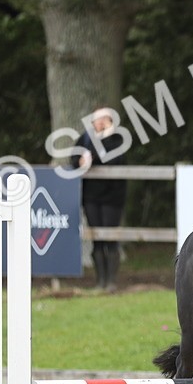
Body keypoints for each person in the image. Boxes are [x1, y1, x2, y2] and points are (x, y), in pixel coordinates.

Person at [70, 108, 128, 293]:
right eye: (96, 120)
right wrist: (80, 161)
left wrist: (102, 141)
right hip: (91, 196)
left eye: (104, 120)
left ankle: (111, 282)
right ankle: (100, 281)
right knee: (96, 239)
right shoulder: (85, 138)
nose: (99, 123)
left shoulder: (118, 139)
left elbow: (113, 159)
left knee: (110, 238)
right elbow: (73, 158)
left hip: (112, 196)